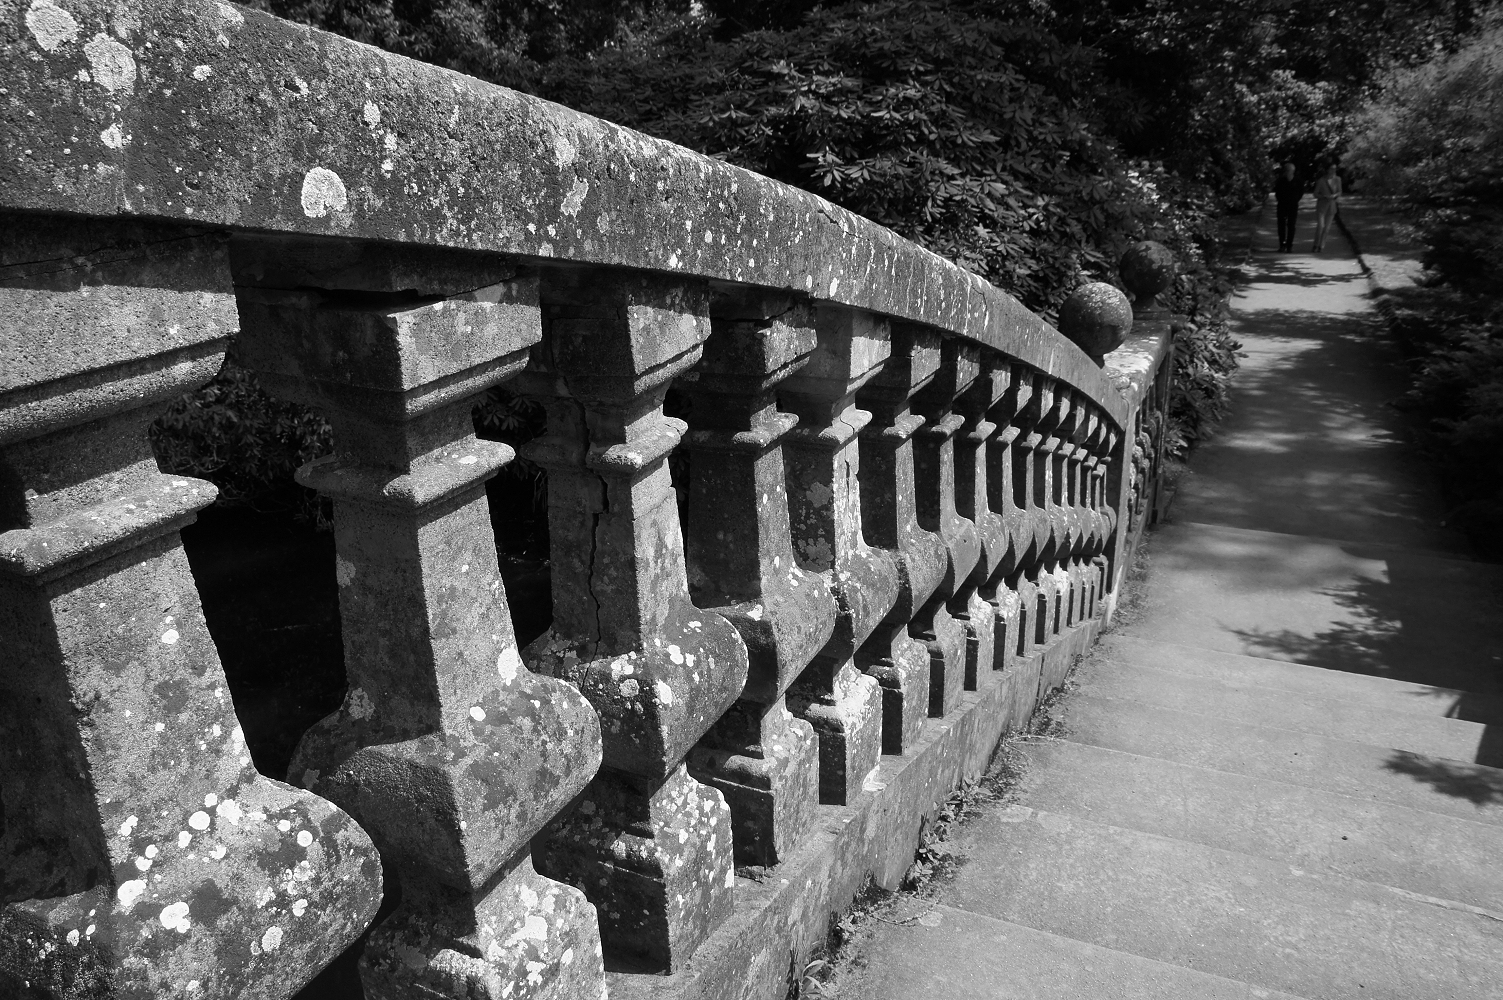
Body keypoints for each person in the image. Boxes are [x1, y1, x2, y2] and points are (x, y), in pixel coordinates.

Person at [1312, 161, 1343, 252]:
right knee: (1321, 226)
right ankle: (1316, 244)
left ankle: (1321, 246)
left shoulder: (1338, 179)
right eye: (1331, 168)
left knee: (1327, 228)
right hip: (1322, 206)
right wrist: (1323, 196)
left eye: (1335, 168)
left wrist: (1334, 196)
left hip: (1332, 206)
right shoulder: (1321, 181)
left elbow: (1340, 191)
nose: (1333, 170)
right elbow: (1315, 194)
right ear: (1327, 170)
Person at [1274, 161, 1302, 252]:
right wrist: (1281, 200)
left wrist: (1295, 200)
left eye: (1288, 170)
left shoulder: (1297, 181)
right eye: (1285, 170)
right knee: (1281, 225)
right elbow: (1277, 193)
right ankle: (1282, 244)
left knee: (1291, 225)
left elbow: (1301, 192)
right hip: (1282, 205)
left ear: (1292, 171)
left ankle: (1289, 245)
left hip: (1293, 206)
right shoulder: (1280, 181)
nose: (1286, 172)